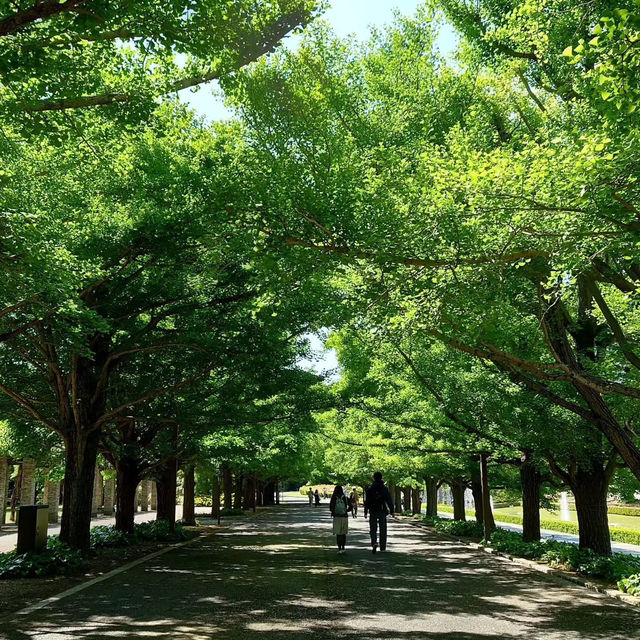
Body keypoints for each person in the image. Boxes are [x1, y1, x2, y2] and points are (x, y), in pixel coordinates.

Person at [364, 471, 394, 553]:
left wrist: (366, 511)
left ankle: (374, 542)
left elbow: (367, 501)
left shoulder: (370, 489)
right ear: (381, 478)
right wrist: (392, 510)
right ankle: (382, 547)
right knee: (383, 529)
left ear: (374, 478)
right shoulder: (384, 488)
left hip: (373, 510)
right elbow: (389, 500)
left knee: (373, 529)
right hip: (382, 510)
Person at [329, 485, 350, 553]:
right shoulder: (345, 497)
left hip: (337, 517)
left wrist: (333, 512)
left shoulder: (334, 497)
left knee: (338, 533)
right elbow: (350, 506)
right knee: (343, 533)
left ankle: (339, 548)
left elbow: (331, 507)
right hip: (344, 516)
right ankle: (343, 547)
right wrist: (346, 511)